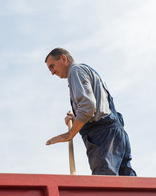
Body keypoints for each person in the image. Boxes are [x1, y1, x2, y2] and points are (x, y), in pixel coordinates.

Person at [44, 47, 136, 176]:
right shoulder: (85, 70)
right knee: (128, 185)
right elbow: (95, 108)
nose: (52, 72)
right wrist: (76, 118)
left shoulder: (75, 71)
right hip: (116, 133)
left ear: (64, 58)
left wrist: (70, 134)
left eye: (52, 66)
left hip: (103, 136)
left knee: (105, 185)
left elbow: (88, 106)